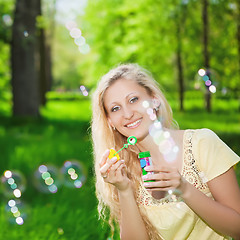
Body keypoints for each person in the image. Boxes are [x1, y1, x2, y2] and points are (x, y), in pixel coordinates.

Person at [91, 63, 240, 240]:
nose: (128, 113)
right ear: (110, 121)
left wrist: (184, 189)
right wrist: (124, 190)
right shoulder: (124, 169)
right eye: (115, 108)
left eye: (133, 100)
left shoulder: (202, 143)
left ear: (154, 100)